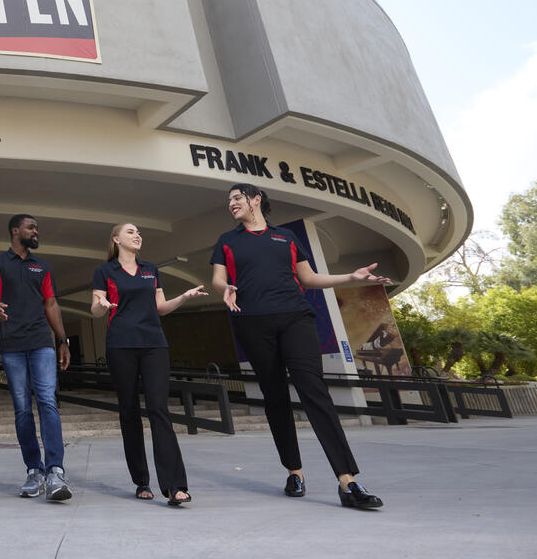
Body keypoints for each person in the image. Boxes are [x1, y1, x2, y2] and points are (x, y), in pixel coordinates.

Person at [210, 183, 388, 509]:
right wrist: (226, 288)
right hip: (252, 322)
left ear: (256, 199)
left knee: (314, 391)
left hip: (296, 319)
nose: (232, 204)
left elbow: (309, 279)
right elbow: (218, 278)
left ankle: (347, 481)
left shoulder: (287, 238)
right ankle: (295, 472)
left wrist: (351, 277)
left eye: (237, 198)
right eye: (229, 200)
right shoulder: (227, 241)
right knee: (276, 396)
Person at [92, 223, 206, 506]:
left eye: (139, 232)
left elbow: (161, 308)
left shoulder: (151, 270)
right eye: (130, 232)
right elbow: (95, 309)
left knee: (159, 409)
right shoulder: (105, 271)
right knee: (129, 411)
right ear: (116, 239)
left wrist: (184, 297)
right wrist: (102, 305)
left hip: (154, 344)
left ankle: (174, 486)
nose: (137, 235)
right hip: (120, 345)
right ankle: (141, 480)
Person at [0, 215, 73, 501]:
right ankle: (34, 469)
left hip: (41, 342)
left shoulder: (42, 267)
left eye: (36, 228)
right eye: (31, 227)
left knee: (47, 401)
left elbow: (51, 304)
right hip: (12, 346)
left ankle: (55, 470)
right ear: (15, 230)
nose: (36, 231)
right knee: (22, 408)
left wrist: (63, 340)